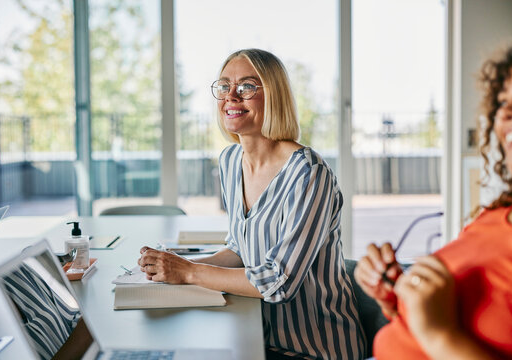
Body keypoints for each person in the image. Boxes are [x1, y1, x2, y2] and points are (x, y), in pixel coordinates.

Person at [138, 48, 365, 359]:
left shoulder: (308, 173)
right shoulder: (231, 161)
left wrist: (190, 272)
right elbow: (239, 249)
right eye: (224, 86)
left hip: (314, 349)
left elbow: (279, 281)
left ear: (275, 96)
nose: (231, 96)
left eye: (246, 86)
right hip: (258, 338)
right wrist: (172, 266)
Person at [354, 40, 512, 359]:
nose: (509, 113)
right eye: (503, 101)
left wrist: (438, 334)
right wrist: (397, 296)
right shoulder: (494, 217)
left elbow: (441, 331)